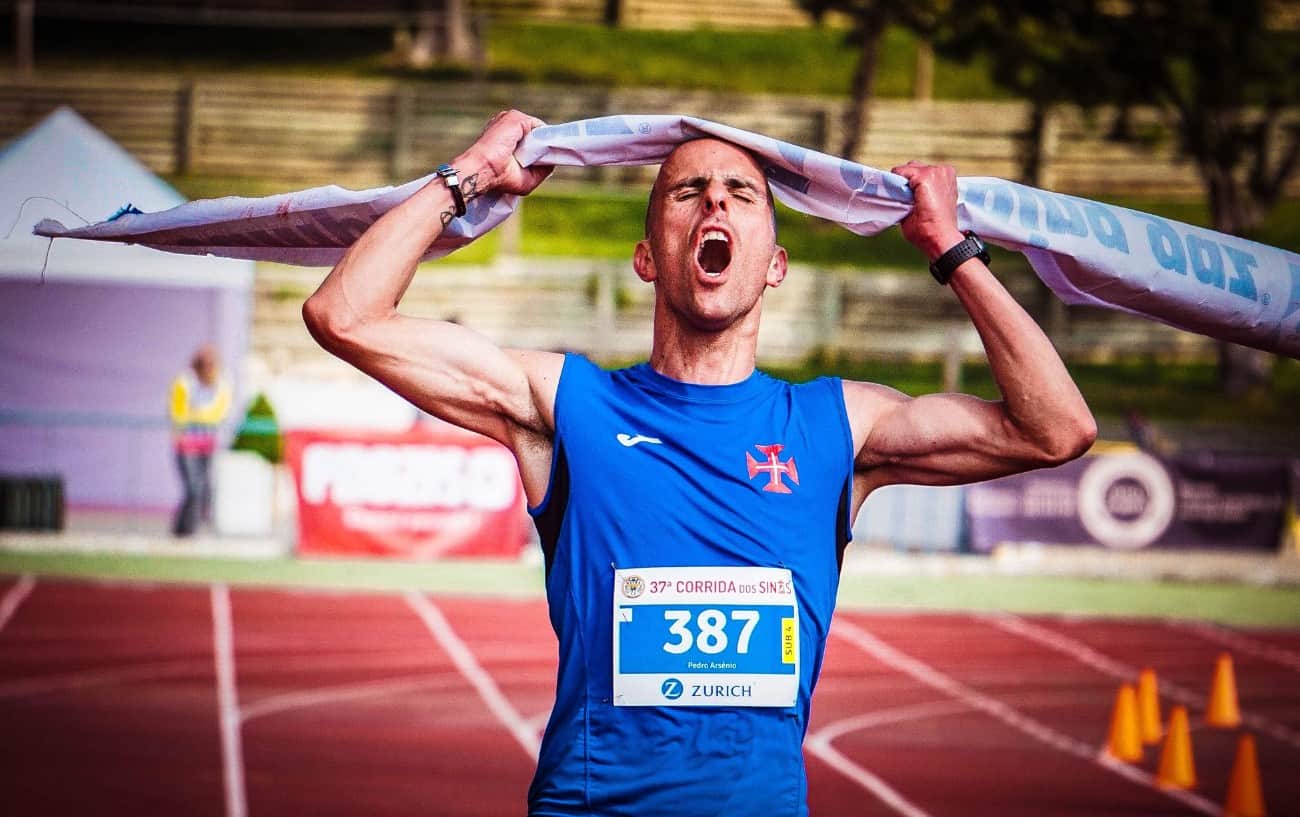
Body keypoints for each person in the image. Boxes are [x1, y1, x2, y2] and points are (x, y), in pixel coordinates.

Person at [302, 111, 1096, 817]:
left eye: (740, 194)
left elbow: (1055, 427)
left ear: (775, 265)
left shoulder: (837, 425)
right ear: (648, 258)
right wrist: (470, 174)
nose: (715, 201)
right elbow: (345, 313)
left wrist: (951, 250)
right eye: (687, 192)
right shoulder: (566, 405)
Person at [169, 344, 231, 537]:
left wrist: (196, 414)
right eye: (205, 365)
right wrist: (199, 416)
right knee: (192, 488)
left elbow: (219, 413)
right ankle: (183, 530)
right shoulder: (185, 383)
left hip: (207, 444)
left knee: (204, 488)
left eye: (212, 365)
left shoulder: (222, 383)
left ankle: (189, 529)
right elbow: (178, 413)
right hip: (185, 444)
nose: (209, 369)